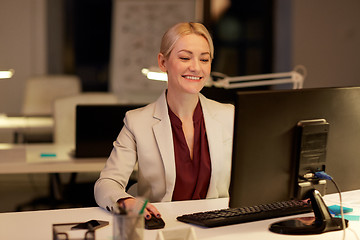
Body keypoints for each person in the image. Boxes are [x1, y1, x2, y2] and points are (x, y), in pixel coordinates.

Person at [94, 22, 234, 220]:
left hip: (218, 226)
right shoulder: (137, 121)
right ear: (163, 62)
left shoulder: (230, 116)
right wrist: (124, 200)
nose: (196, 67)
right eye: (185, 57)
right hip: (163, 225)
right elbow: (107, 182)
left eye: (204, 59)